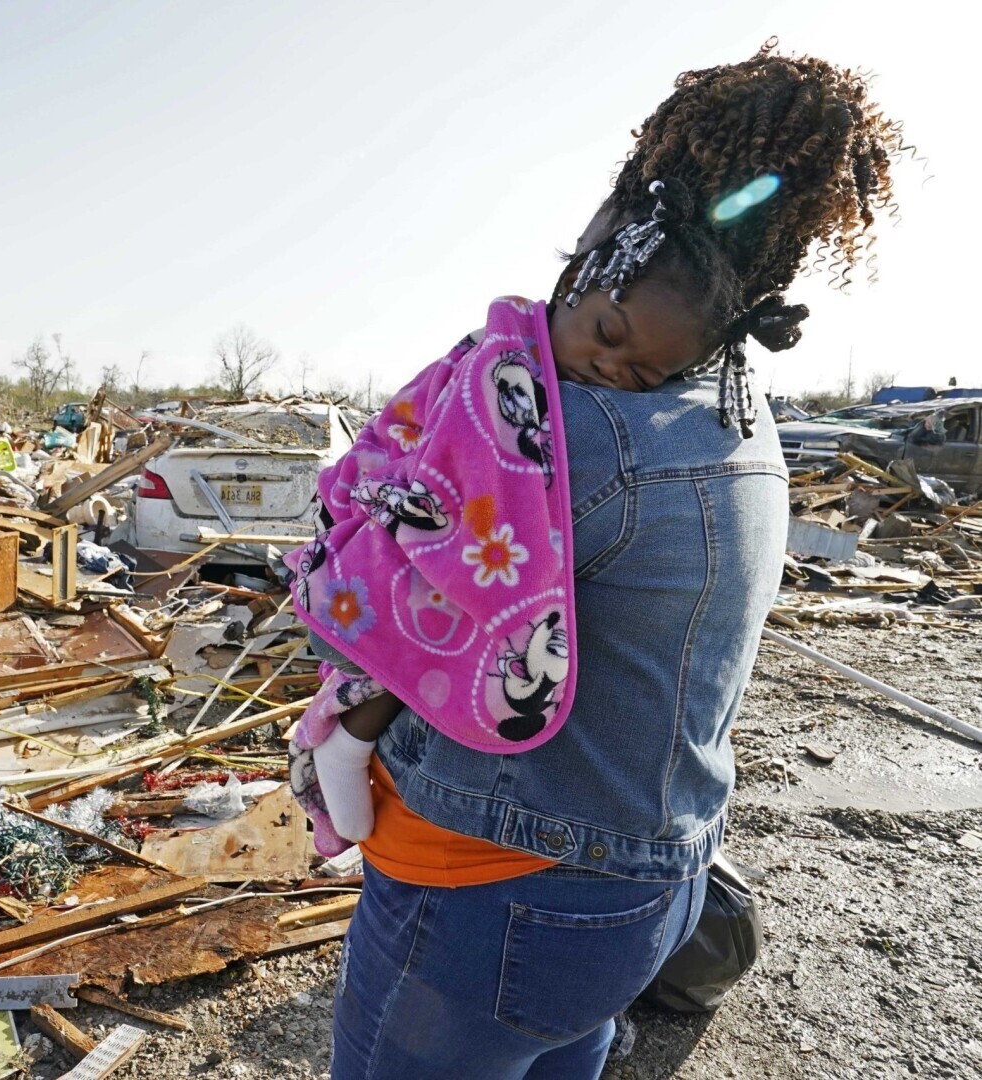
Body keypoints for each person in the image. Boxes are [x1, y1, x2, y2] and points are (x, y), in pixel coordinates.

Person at [310, 43, 907, 1078]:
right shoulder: (735, 412)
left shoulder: (559, 429)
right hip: (642, 887)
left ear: (627, 226)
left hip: (488, 884)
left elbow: (409, 604)